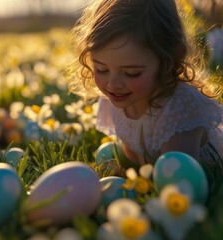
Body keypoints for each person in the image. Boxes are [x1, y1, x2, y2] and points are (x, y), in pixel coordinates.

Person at [68, 0, 223, 166]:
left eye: (131, 73)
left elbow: (178, 176)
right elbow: (134, 160)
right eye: (101, 69)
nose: (113, 84)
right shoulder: (118, 100)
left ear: (169, 60)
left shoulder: (179, 107)